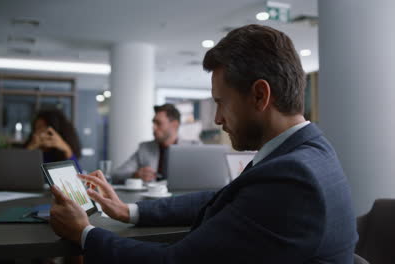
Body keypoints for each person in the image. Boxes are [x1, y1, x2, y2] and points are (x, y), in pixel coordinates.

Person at [49, 24, 358, 263]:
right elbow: (219, 198)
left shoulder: (293, 176)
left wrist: (84, 233)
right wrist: (128, 210)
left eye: (221, 103)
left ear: (260, 96)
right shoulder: (306, 151)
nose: (218, 119)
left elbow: (173, 262)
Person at [111, 103, 200, 184]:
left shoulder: (194, 148)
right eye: (153, 123)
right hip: (153, 199)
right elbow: (116, 175)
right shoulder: (145, 148)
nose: (153, 128)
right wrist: (135, 175)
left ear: (174, 125)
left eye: (158, 123)